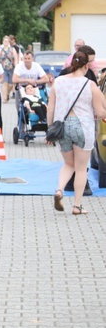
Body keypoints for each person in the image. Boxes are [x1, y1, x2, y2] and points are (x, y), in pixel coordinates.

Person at [49, 51, 106, 215]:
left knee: (68, 164)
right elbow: (101, 112)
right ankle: (77, 206)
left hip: (62, 127)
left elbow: (51, 108)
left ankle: (59, 190)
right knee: (81, 168)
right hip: (82, 127)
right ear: (87, 66)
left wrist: (50, 129)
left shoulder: (58, 82)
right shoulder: (90, 85)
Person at [0, 36, 19, 102]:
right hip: (3, 69)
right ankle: (4, 98)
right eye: (4, 41)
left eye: (7, 41)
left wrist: (16, 67)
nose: (6, 42)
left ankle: (7, 93)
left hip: (11, 68)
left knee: (11, 84)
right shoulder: (0, 50)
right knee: (4, 83)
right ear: (3, 42)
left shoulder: (12, 49)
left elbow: (15, 59)